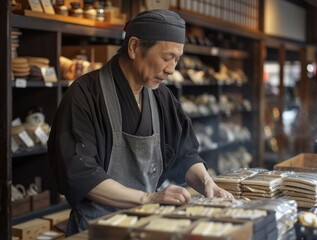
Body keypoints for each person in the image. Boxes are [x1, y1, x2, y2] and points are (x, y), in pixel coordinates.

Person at [48, 9, 233, 236]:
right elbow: (80, 174)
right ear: (134, 47)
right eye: (167, 57)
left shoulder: (161, 96)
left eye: (177, 59)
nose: (171, 69)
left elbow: (184, 152)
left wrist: (207, 184)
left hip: (147, 227)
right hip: (98, 229)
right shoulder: (85, 94)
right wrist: (148, 198)